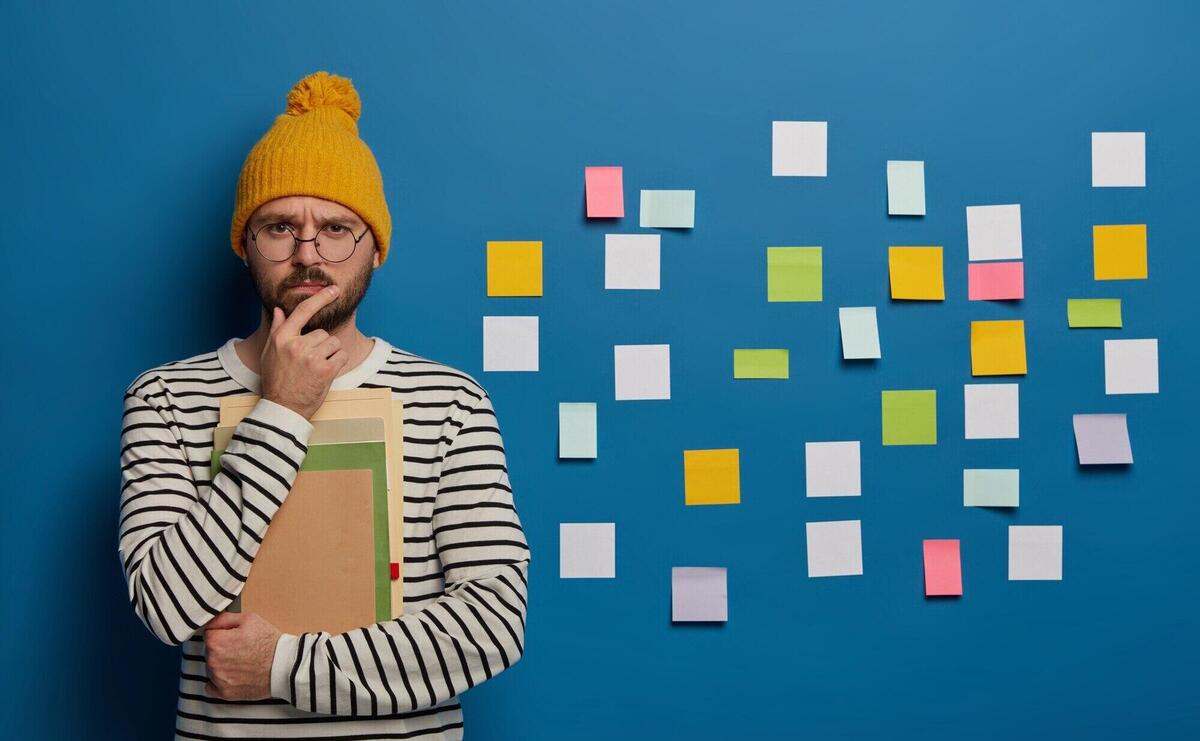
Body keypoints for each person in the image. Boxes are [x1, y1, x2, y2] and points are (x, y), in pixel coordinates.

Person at [117, 70, 531, 739]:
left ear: (375, 247)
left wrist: (280, 665)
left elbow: (491, 625)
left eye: (337, 227)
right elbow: (167, 607)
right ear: (245, 244)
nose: (308, 252)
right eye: (280, 225)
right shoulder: (166, 398)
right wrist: (280, 410)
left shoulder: (452, 401)